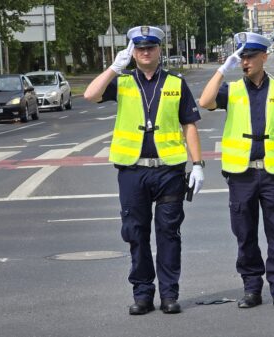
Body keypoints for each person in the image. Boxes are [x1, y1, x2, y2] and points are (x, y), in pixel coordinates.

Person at [84, 26, 204, 315]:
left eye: (150, 47)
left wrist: (198, 164)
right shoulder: (122, 82)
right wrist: (113, 67)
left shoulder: (176, 82)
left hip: (169, 171)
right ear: (132, 51)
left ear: (160, 49)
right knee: (135, 233)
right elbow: (90, 94)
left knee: (168, 234)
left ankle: (169, 294)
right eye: (139, 48)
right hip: (132, 172)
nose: (145, 52)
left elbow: (189, 124)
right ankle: (142, 294)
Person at [199, 32, 274, 310]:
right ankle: (251, 289)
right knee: (245, 234)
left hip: (273, 174)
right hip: (241, 174)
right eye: (242, 57)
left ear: (264, 57)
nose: (245, 62)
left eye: (250, 56)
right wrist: (222, 70)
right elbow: (204, 101)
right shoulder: (232, 90)